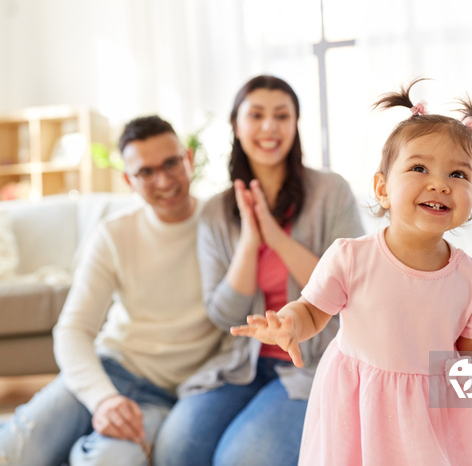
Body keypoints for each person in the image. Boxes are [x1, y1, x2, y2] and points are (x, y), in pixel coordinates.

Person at [231, 79, 472, 465]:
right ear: (382, 188)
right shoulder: (351, 257)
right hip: (357, 401)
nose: (439, 184)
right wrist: (288, 325)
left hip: (433, 410)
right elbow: (312, 310)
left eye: (458, 175)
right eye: (419, 167)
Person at [0, 115, 224, 466]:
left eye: (171, 163)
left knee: (108, 461)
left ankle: (29, 430)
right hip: (107, 369)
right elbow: (73, 330)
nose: (163, 180)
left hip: (165, 395)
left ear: (188, 159)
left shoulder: (222, 226)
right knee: (5, 458)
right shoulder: (114, 234)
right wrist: (102, 399)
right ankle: (9, 433)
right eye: (146, 172)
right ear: (128, 180)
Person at [154, 75, 365, 466]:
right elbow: (223, 315)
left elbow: (353, 289)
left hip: (310, 363)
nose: (270, 126)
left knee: (241, 459)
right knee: (175, 451)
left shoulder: (331, 191)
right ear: (236, 125)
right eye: (257, 115)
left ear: (294, 125)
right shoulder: (217, 212)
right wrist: (250, 242)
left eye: (282, 115)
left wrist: (276, 236)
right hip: (240, 363)